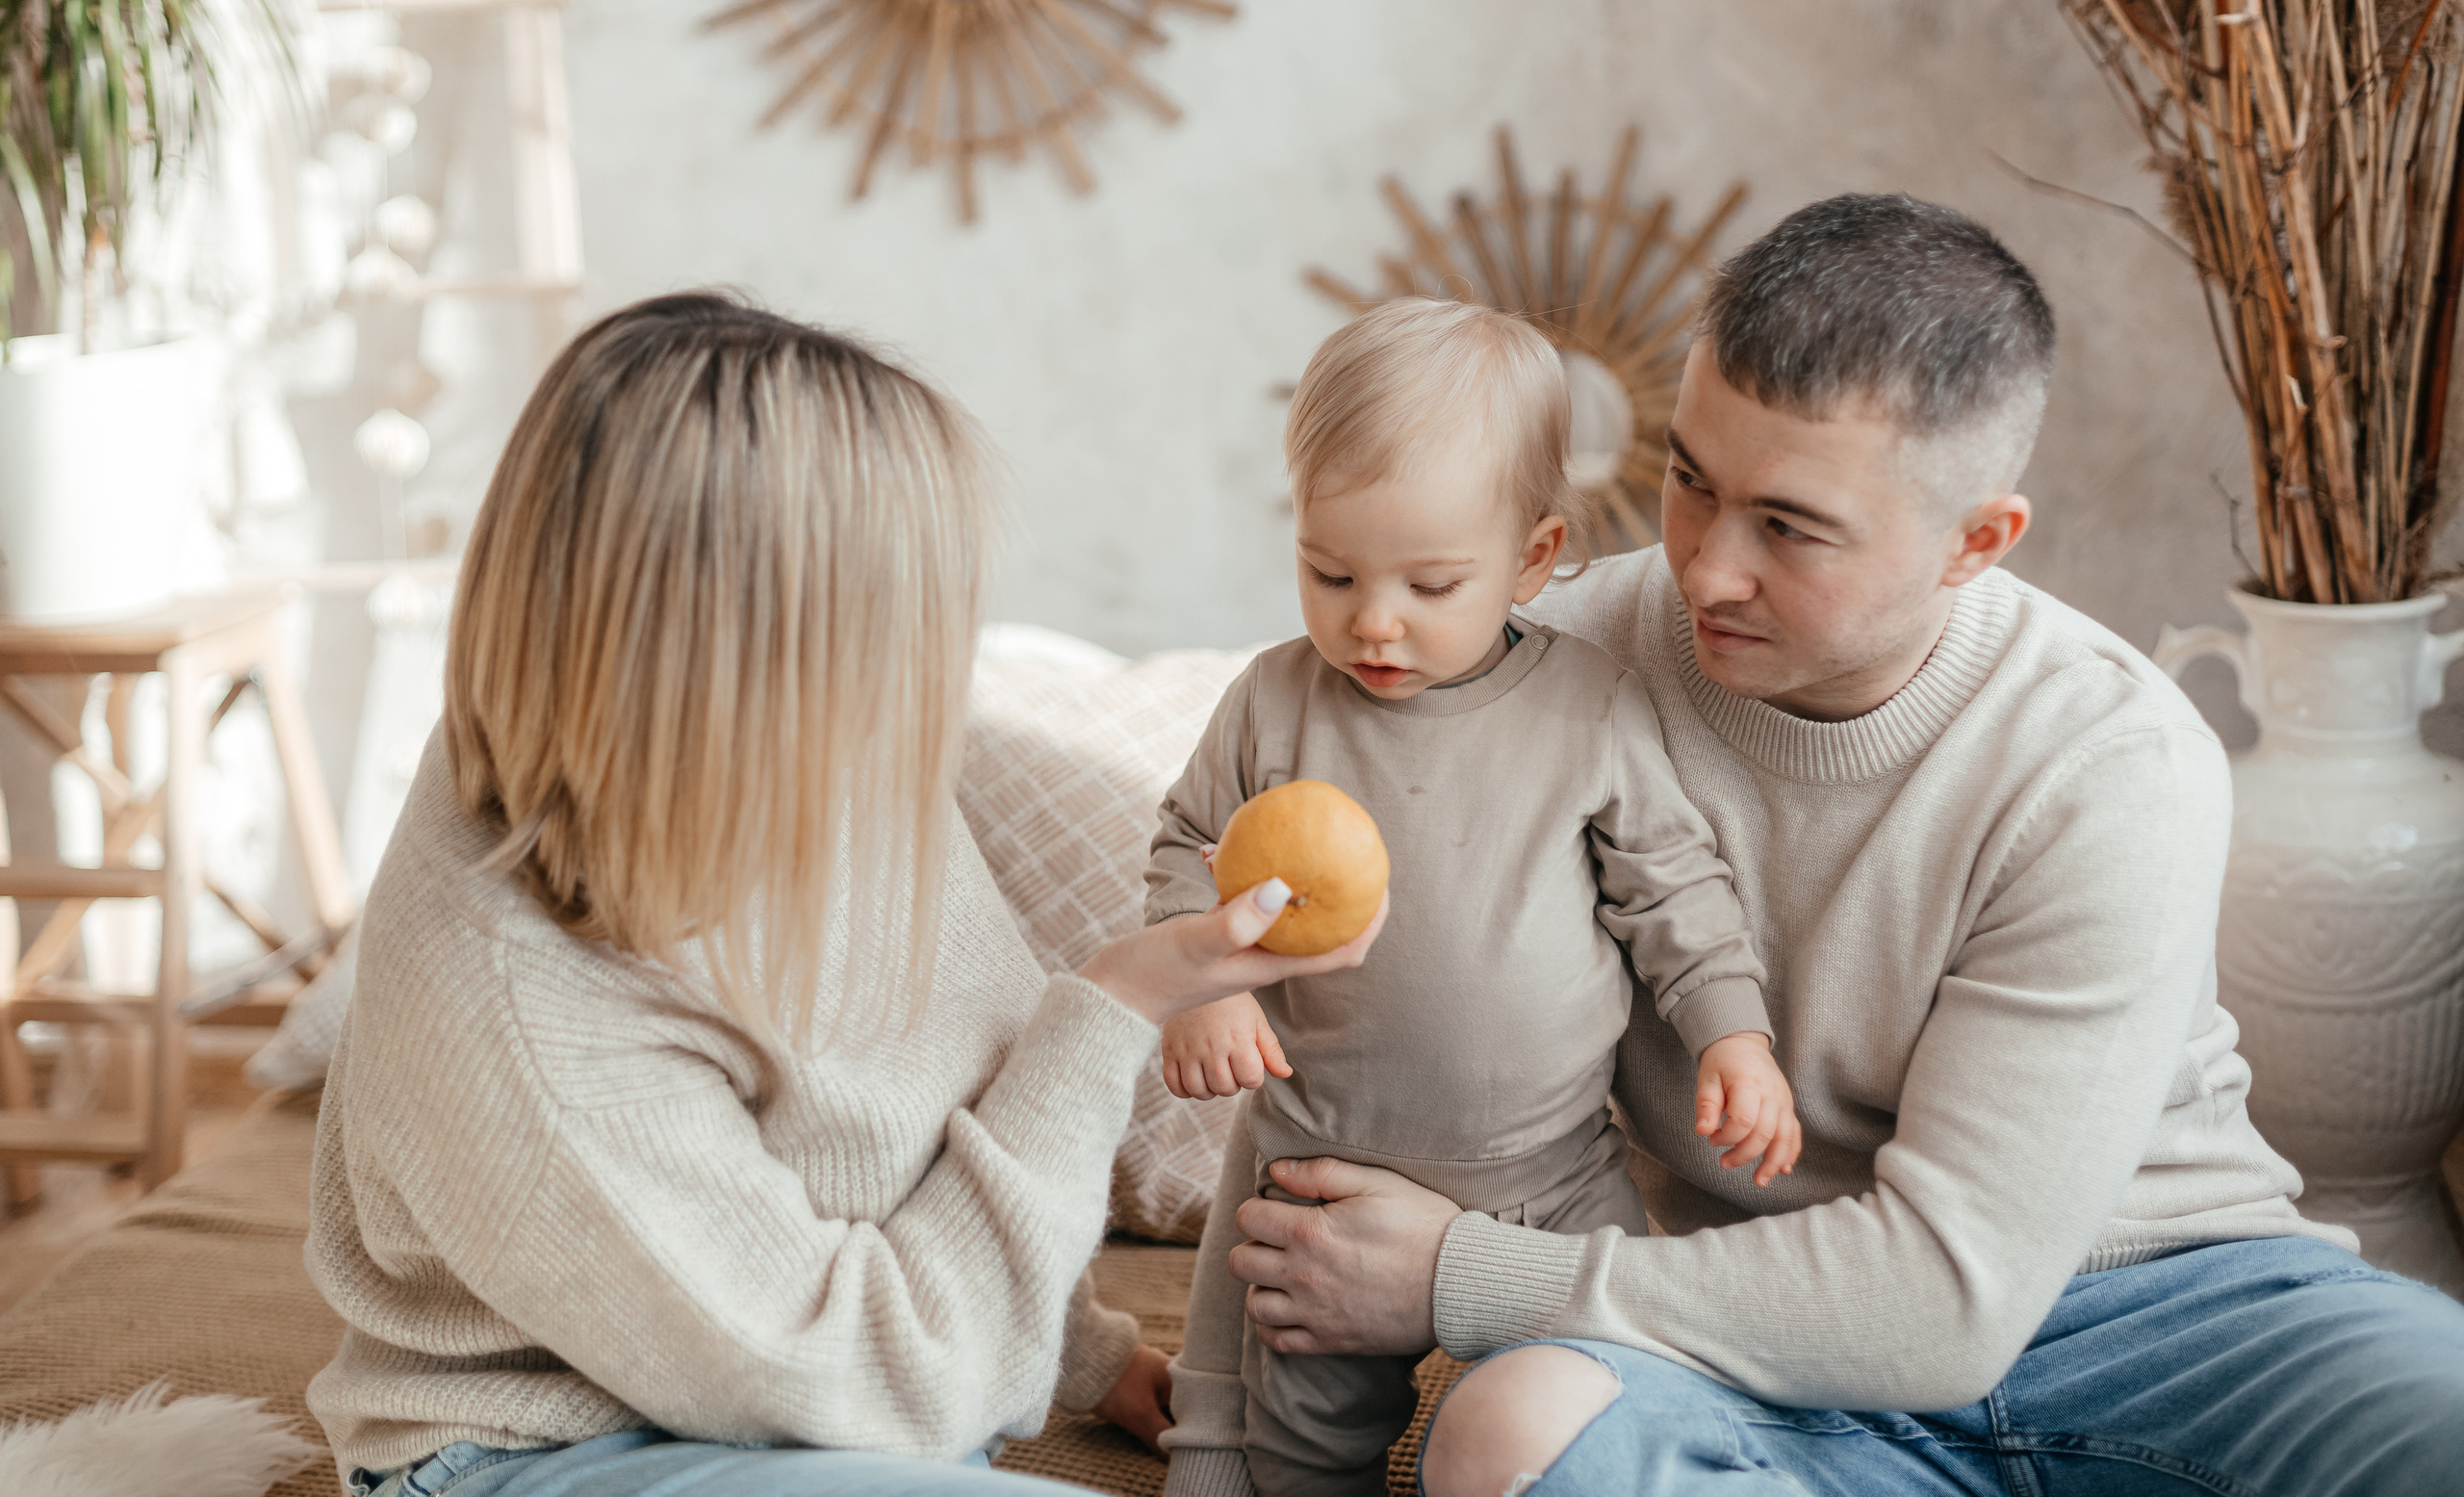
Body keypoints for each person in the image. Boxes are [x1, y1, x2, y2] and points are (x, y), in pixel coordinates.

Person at [1211, 196, 2464, 1496]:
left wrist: (1454, 1273)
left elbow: (1945, 1296)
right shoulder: (1547, 672)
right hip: (1743, 1340)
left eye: (1789, 526)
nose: (1705, 568)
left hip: (2174, 1312)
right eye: (1690, 479)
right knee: (1513, 1435)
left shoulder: (2112, 758)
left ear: (1976, 541)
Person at [301, 294, 1384, 1497]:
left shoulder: (820, 759)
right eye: (900, 614)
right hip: (552, 1452)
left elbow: (918, 1115)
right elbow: (879, 1391)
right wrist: (1116, 1004)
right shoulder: (516, 1002)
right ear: (745, 649)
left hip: (822, 1399)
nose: (933, 656)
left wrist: (1088, 1360)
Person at [1145, 297, 1801, 1497]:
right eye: (1328, 570)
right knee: (1299, 1459)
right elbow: (1188, 845)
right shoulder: (1274, 703)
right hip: (1320, 1178)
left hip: (1550, 1180)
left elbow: (1672, 890)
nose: (1373, 619)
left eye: (1433, 582)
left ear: (1533, 559)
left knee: (1609, 1404)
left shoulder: (1586, 705)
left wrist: (1735, 1035)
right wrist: (1200, 992)